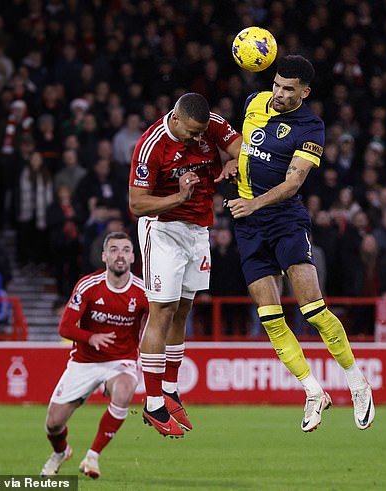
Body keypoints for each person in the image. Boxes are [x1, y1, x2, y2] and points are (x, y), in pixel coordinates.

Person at [226, 55, 375, 431]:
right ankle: (312, 391)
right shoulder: (253, 103)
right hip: (249, 227)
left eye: (287, 89)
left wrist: (253, 203)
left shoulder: (311, 127)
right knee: (270, 319)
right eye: (276, 84)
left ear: (304, 92)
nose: (277, 93)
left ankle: (357, 383)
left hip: (284, 220)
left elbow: (293, 184)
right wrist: (232, 165)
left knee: (312, 308)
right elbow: (244, 146)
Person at [128, 92, 241, 437]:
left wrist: (234, 163)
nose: (197, 139)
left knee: (183, 310)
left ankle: (171, 389)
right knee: (161, 311)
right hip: (163, 229)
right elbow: (136, 204)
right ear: (175, 119)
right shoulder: (151, 146)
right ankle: (152, 403)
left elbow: (241, 147)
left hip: (199, 229)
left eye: (201, 133)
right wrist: (178, 197)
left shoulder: (210, 125)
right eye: (191, 133)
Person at [40, 232, 149, 479]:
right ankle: (60, 453)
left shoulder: (143, 292)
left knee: (123, 391)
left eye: (124, 250)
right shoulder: (89, 285)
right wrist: (91, 337)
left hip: (121, 360)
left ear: (132, 256)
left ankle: (93, 456)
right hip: (84, 360)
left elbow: (157, 324)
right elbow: (65, 327)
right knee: (54, 424)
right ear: (104, 256)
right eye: (113, 250)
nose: (119, 254)